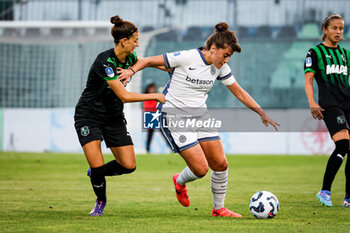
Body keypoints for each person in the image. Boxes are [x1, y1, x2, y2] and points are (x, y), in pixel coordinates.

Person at [118, 22, 280, 217]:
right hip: (173, 115)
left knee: (220, 164)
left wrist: (261, 112)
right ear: (213, 49)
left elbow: (239, 92)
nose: (227, 60)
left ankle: (219, 209)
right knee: (201, 169)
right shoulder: (187, 57)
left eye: (229, 57)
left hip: (200, 115)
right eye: (226, 55)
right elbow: (147, 60)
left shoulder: (220, 67)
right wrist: (130, 72)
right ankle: (179, 181)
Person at [74, 15, 165, 216]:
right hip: (89, 115)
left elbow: (148, 62)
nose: (137, 44)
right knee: (96, 163)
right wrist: (155, 96)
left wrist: (173, 67)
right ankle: (100, 201)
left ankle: (96, 174)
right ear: (124, 41)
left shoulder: (130, 58)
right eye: (135, 40)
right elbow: (123, 95)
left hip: (113, 117)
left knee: (129, 165)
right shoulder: (104, 61)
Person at [304, 13, 350, 208]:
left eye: (341, 28)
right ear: (325, 30)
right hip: (330, 105)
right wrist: (312, 102)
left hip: (347, 103)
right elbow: (308, 80)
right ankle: (325, 191)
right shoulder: (314, 52)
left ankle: (348, 197)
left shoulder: (346, 54)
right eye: (334, 28)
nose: (338, 32)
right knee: (342, 145)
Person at [143, 83, 158, 153]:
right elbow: (146, 106)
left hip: (157, 115)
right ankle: (147, 149)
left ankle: (171, 148)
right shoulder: (147, 96)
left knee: (164, 133)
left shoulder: (156, 96)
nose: (152, 90)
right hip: (150, 116)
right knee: (150, 135)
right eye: (151, 88)